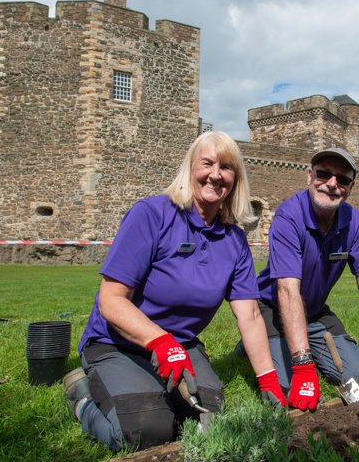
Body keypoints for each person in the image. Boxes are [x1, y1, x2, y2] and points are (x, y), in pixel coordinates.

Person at [64, 131, 286, 452]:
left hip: (182, 344)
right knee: (146, 431)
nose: (215, 174)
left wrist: (267, 378)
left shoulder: (234, 240)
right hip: (118, 343)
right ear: (189, 168)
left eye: (225, 167)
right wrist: (160, 342)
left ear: (236, 179)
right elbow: (110, 301)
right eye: (207, 163)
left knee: (208, 421)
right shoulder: (152, 215)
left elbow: (250, 315)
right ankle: (83, 398)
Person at [238, 147, 359, 412]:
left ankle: (293, 342)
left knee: (352, 371)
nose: (332, 184)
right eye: (324, 175)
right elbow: (287, 289)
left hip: (314, 311)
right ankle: (257, 339)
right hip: (272, 307)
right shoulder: (289, 216)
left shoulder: (353, 220)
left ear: (351, 187)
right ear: (309, 176)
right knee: (286, 386)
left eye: (342, 179)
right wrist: (303, 364)